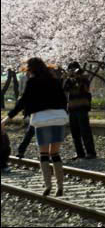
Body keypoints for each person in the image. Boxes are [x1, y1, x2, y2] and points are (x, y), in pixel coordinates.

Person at [1, 57, 67, 196]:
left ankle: (48, 185)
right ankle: (60, 186)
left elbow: (23, 101)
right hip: (58, 119)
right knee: (55, 154)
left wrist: (7, 118)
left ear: (32, 69)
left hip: (42, 120)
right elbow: (63, 99)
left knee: (44, 154)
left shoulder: (32, 82)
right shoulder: (55, 81)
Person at [63, 61, 96, 160]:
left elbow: (84, 89)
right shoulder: (69, 80)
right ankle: (80, 153)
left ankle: (91, 152)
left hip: (82, 108)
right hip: (72, 108)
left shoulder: (84, 78)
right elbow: (65, 88)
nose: (72, 71)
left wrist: (78, 77)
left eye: (74, 69)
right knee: (75, 132)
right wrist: (68, 78)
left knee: (85, 130)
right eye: (70, 69)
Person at [15, 70, 35, 158]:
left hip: (35, 110)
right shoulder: (23, 78)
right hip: (30, 107)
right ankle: (21, 150)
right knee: (31, 131)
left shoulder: (36, 80)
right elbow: (21, 89)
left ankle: (21, 150)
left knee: (30, 131)